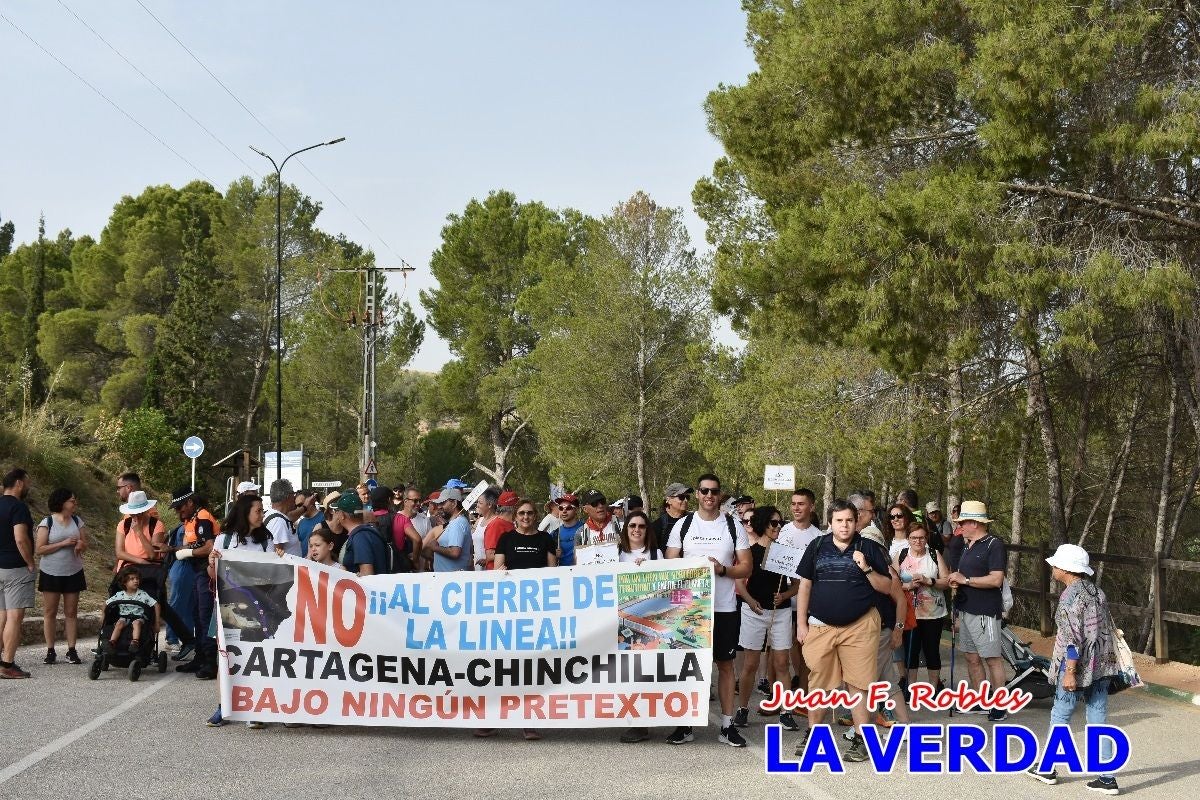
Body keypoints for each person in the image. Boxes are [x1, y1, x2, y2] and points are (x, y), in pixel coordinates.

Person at [793, 499, 892, 763]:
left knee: (858, 685)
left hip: (860, 625)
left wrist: (867, 568)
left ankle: (861, 740)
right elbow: (804, 586)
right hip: (821, 626)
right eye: (839, 520)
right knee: (819, 685)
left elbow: (887, 587)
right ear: (830, 523)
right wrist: (801, 624)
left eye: (849, 519)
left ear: (856, 520)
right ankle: (814, 736)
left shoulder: (869, 547)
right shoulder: (816, 546)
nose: (845, 525)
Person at [664, 473, 753, 748]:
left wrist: (722, 569)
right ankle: (685, 724)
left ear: (720, 494)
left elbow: (746, 567)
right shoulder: (684, 524)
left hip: (724, 606)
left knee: (725, 666)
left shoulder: (733, 525)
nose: (709, 496)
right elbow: (669, 563)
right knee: (687, 666)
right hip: (688, 607)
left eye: (714, 491)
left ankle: (727, 726)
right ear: (698, 494)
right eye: (704, 491)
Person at [1027, 544, 1122, 795]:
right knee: (1098, 716)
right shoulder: (1097, 592)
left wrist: (1069, 671)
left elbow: (1072, 639)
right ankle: (1107, 776)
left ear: (1066, 569)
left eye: (1056, 565)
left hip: (1076, 666)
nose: (1053, 568)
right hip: (1101, 664)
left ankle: (1046, 768)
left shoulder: (1069, 598)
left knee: (1061, 714)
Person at [733, 506, 799, 731]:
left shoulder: (784, 551)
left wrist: (785, 595)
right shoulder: (749, 552)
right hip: (754, 611)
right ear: (762, 524)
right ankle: (742, 709)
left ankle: (786, 711)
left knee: (782, 663)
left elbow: (797, 584)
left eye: (780, 523)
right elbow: (740, 583)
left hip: (780, 613)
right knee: (750, 664)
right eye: (773, 523)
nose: (778, 527)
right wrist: (751, 602)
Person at [946, 500, 1008, 720]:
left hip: (985, 611)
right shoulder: (966, 544)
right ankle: (981, 700)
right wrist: (958, 582)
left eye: (963, 522)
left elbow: (996, 579)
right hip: (966, 609)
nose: (960, 526)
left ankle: (1000, 704)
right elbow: (965, 576)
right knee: (972, 657)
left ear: (974, 523)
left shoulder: (994, 544)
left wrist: (967, 579)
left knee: (992, 658)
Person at [35, 487, 88, 665]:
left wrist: (80, 545)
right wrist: (63, 543)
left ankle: (71, 650)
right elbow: (40, 549)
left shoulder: (77, 520)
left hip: (73, 571)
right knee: (50, 612)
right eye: (72, 500)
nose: (75, 503)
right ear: (62, 502)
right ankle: (50, 651)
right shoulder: (47, 522)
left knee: (71, 612)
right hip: (51, 572)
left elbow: (84, 544)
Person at [170, 489, 219, 679]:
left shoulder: (203, 517)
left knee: (205, 615)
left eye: (180, 507)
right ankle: (199, 656)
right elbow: (195, 544)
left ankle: (209, 661)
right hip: (197, 571)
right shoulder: (190, 519)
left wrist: (186, 553)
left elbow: (209, 546)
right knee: (197, 615)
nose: (178, 512)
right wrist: (175, 549)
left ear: (190, 503)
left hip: (207, 572)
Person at [895, 527, 949, 695]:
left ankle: (933, 688)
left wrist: (929, 581)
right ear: (908, 539)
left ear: (927, 539)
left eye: (921, 538)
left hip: (933, 613)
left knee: (932, 650)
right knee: (911, 651)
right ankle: (911, 688)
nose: (917, 541)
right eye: (913, 538)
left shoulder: (934, 554)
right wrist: (908, 586)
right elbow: (892, 582)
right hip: (909, 612)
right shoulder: (901, 554)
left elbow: (946, 581)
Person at [0, 468, 35, 679]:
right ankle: (7, 664)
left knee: (1, 615)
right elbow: (20, 538)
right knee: (14, 617)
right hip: (15, 568)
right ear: (19, 483)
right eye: (27, 482)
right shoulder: (18, 507)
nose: (28, 486)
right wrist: (30, 562)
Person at [104, 565, 159, 655]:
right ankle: (112, 642)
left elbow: (156, 605)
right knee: (119, 623)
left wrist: (156, 623)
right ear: (124, 582)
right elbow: (106, 604)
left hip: (139, 617)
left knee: (136, 623)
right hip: (124, 617)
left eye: (137, 578)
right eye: (132, 579)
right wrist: (103, 616)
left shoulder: (142, 594)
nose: (136, 581)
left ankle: (135, 642)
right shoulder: (120, 595)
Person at [332, 491, 388, 576]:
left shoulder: (360, 537)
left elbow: (367, 574)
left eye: (337, 511)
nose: (336, 514)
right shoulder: (367, 532)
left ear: (342, 515)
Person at [425, 488, 473, 572]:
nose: (439, 507)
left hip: (452, 580)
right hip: (449, 579)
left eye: (443, 503)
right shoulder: (456, 522)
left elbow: (455, 552)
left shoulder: (457, 523)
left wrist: (435, 548)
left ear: (454, 503)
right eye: (439, 503)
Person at [649, 483, 691, 556]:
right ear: (668, 500)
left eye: (687, 497)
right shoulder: (658, 525)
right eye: (681, 497)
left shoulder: (693, 520)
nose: (685, 500)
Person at [265, 479, 301, 557]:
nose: (295, 497)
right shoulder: (279, 521)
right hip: (288, 568)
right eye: (293, 494)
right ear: (288, 496)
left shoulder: (269, 514)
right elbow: (278, 557)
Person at [484, 490, 518, 570]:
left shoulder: (511, 524)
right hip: (497, 575)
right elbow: (490, 554)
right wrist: (519, 553)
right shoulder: (496, 525)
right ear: (514, 508)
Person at [554, 494, 585, 566]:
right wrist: (554, 555)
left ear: (576, 510)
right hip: (563, 574)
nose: (564, 511)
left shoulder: (586, 529)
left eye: (568, 508)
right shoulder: (555, 533)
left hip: (583, 572)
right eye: (561, 508)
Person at [294, 490, 323, 558]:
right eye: (296, 506)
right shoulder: (301, 523)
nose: (298, 509)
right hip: (303, 564)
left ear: (310, 501)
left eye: (300, 505)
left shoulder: (324, 519)